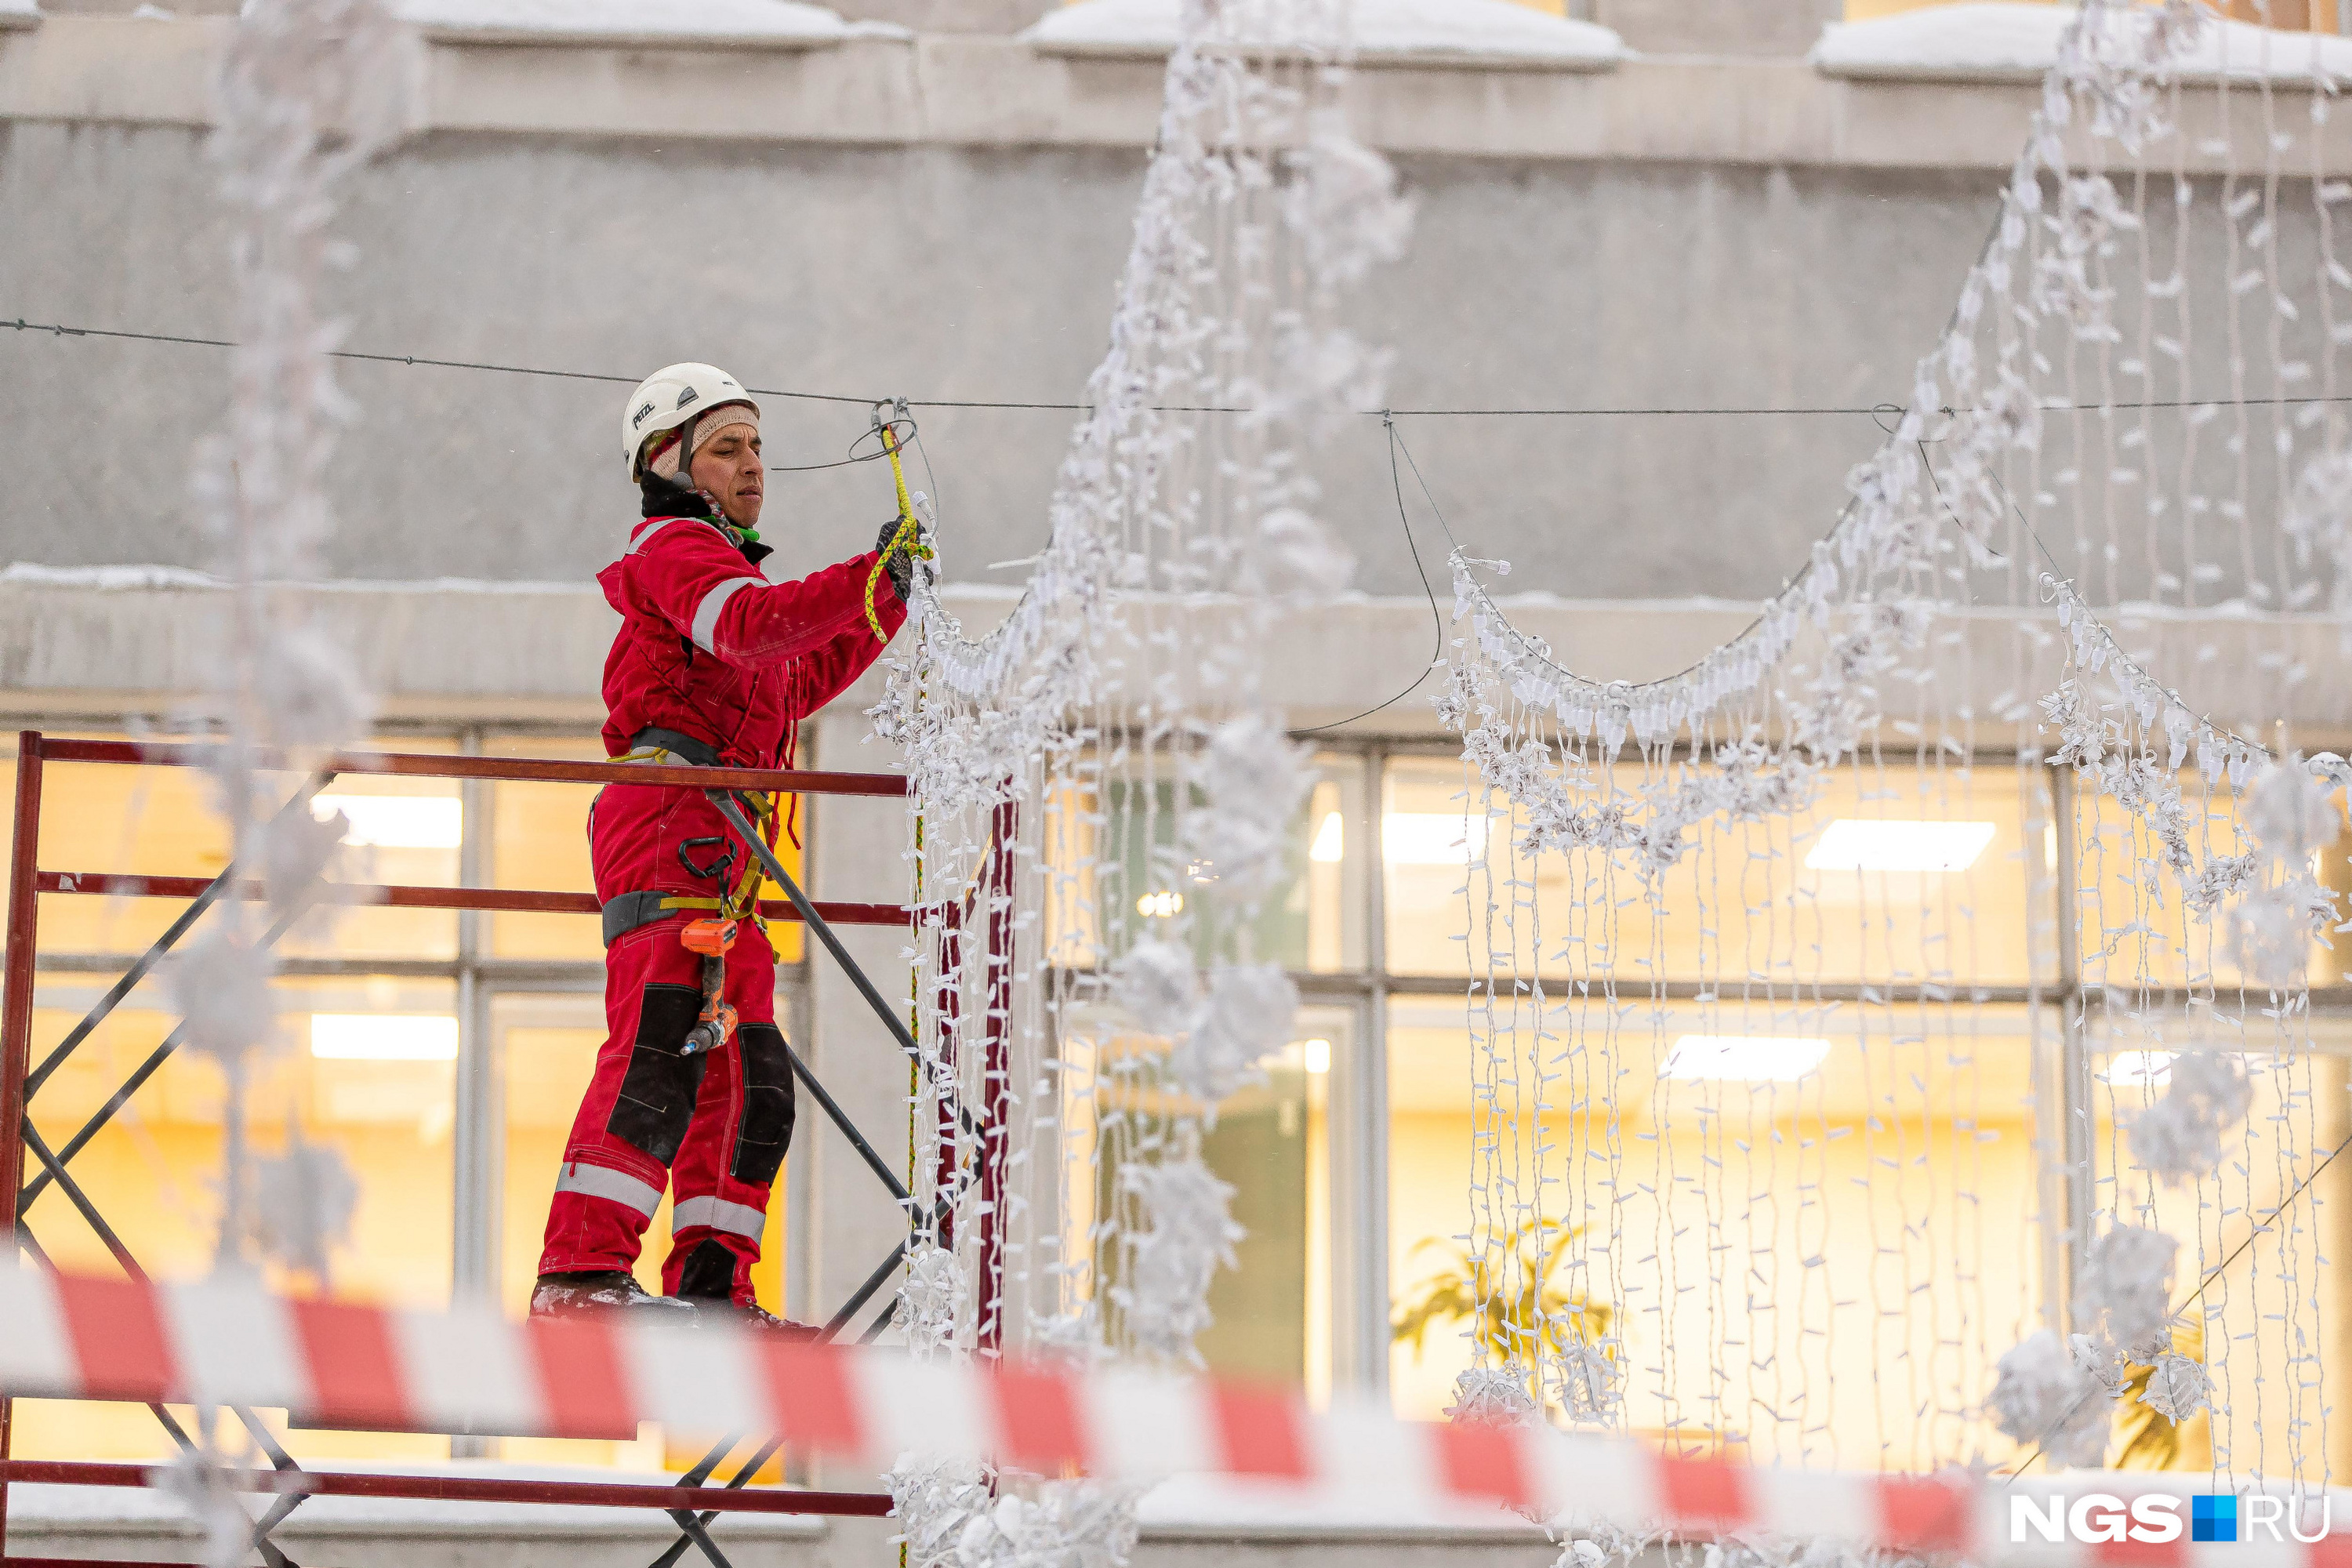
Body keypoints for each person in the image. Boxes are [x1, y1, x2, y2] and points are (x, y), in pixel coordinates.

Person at [531, 362, 919, 1325]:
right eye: (727, 448)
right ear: (670, 464)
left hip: (727, 847)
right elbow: (751, 632)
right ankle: (579, 1275)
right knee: (662, 1038)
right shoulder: (673, 550)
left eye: (757, 447)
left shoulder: (725, 577)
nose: (754, 466)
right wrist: (863, 582)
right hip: (673, 822)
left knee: (753, 1081)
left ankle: (713, 1289)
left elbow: (790, 677)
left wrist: (886, 599)